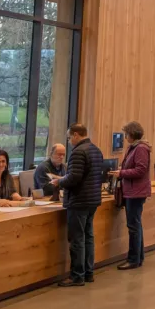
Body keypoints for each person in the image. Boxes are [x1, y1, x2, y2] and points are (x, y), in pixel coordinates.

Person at [50, 123, 104, 287]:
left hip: (79, 200)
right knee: (88, 236)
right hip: (93, 199)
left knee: (77, 239)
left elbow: (74, 178)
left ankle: (77, 276)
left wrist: (59, 181)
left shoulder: (79, 152)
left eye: (68, 138)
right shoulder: (96, 150)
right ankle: (88, 273)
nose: (69, 142)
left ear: (75, 135)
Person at [109, 121, 151, 271]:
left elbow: (140, 170)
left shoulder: (140, 149)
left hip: (136, 192)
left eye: (126, 134)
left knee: (133, 226)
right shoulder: (133, 147)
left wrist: (121, 173)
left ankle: (133, 259)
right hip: (132, 191)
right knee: (135, 225)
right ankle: (138, 257)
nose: (125, 137)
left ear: (131, 134)